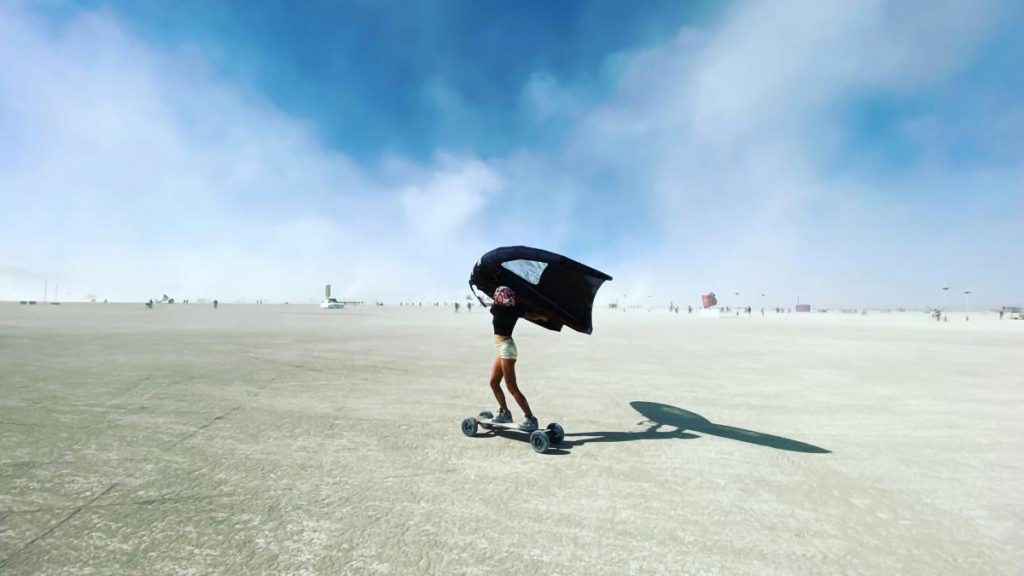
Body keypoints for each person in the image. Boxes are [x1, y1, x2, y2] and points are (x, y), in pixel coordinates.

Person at [487, 286, 537, 430]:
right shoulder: (515, 309)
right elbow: (529, 315)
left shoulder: (496, 308)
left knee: (511, 387)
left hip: (507, 349)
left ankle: (530, 418)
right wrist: (541, 317)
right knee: (494, 383)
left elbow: (495, 304)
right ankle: (505, 413)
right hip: (503, 348)